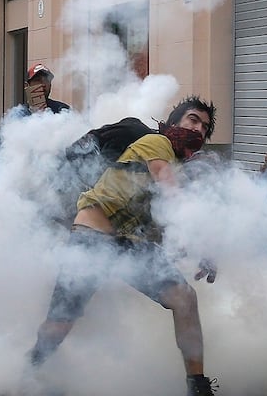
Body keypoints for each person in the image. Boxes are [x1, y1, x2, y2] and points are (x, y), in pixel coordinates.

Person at [27, 96, 220, 396]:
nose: (198, 129)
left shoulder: (177, 165)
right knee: (59, 325)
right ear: (174, 122)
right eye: (193, 120)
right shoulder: (158, 144)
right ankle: (27, 370)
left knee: (184, 298)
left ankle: (198, 387)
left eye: (205, 128)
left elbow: (161, 218)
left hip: (128, 243)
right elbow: (174, 200)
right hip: (91, 239)